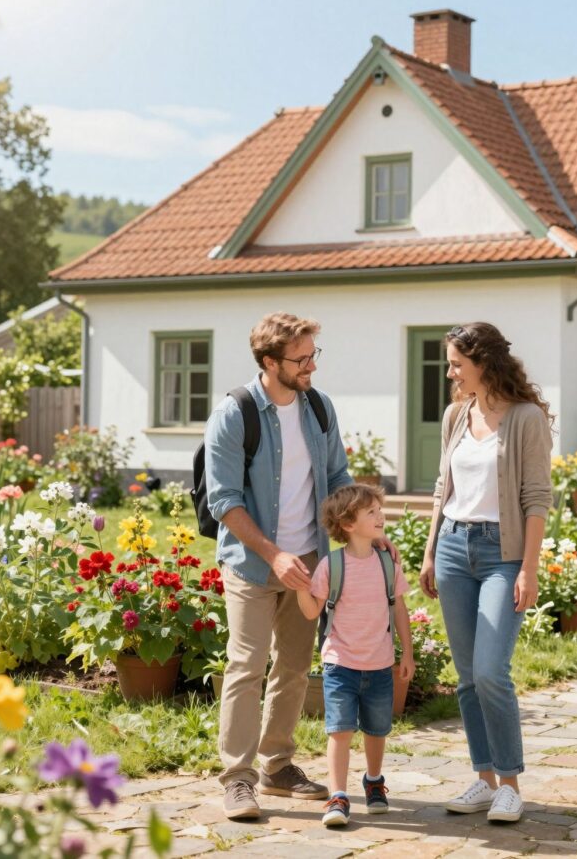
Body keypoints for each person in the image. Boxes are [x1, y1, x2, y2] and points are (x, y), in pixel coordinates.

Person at [205, 312, 392, 820]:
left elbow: (336, 476)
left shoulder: (318, 407)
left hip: (308, 557)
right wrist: (273, 553)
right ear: (270, 362)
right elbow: (224, 500)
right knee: (246, 666)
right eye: (301, 358)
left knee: (292, 665)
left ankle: (277, 766)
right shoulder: (234, 413)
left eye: (314, 355)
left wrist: (369, 532)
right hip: (251, 561)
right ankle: (238, 780)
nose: (311, 365)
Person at [418, 322, 553, 824]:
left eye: (457, 363)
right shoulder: (457, 414)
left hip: (503, 553)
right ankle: (484, 778)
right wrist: (432, 550)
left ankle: (511, 785)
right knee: (466, 678)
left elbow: (537, 497)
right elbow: (442, 488)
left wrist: (529, 569)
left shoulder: (525, 418)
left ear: (483, 362)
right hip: (453, 547)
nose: (451, 372)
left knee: (490, 670)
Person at [296, 484, 415, 827]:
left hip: (379, 664)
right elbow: (311, 612)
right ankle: (338, 795)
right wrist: (299, 586)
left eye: (380, 510)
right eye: (372, 513)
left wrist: (406, 653)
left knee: (377, 731)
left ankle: (374, 782)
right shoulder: (331, 565)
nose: (381, 517)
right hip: (340, 664)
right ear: (348, 524)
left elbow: (400, 610)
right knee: (340, 731)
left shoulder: (387, 563)